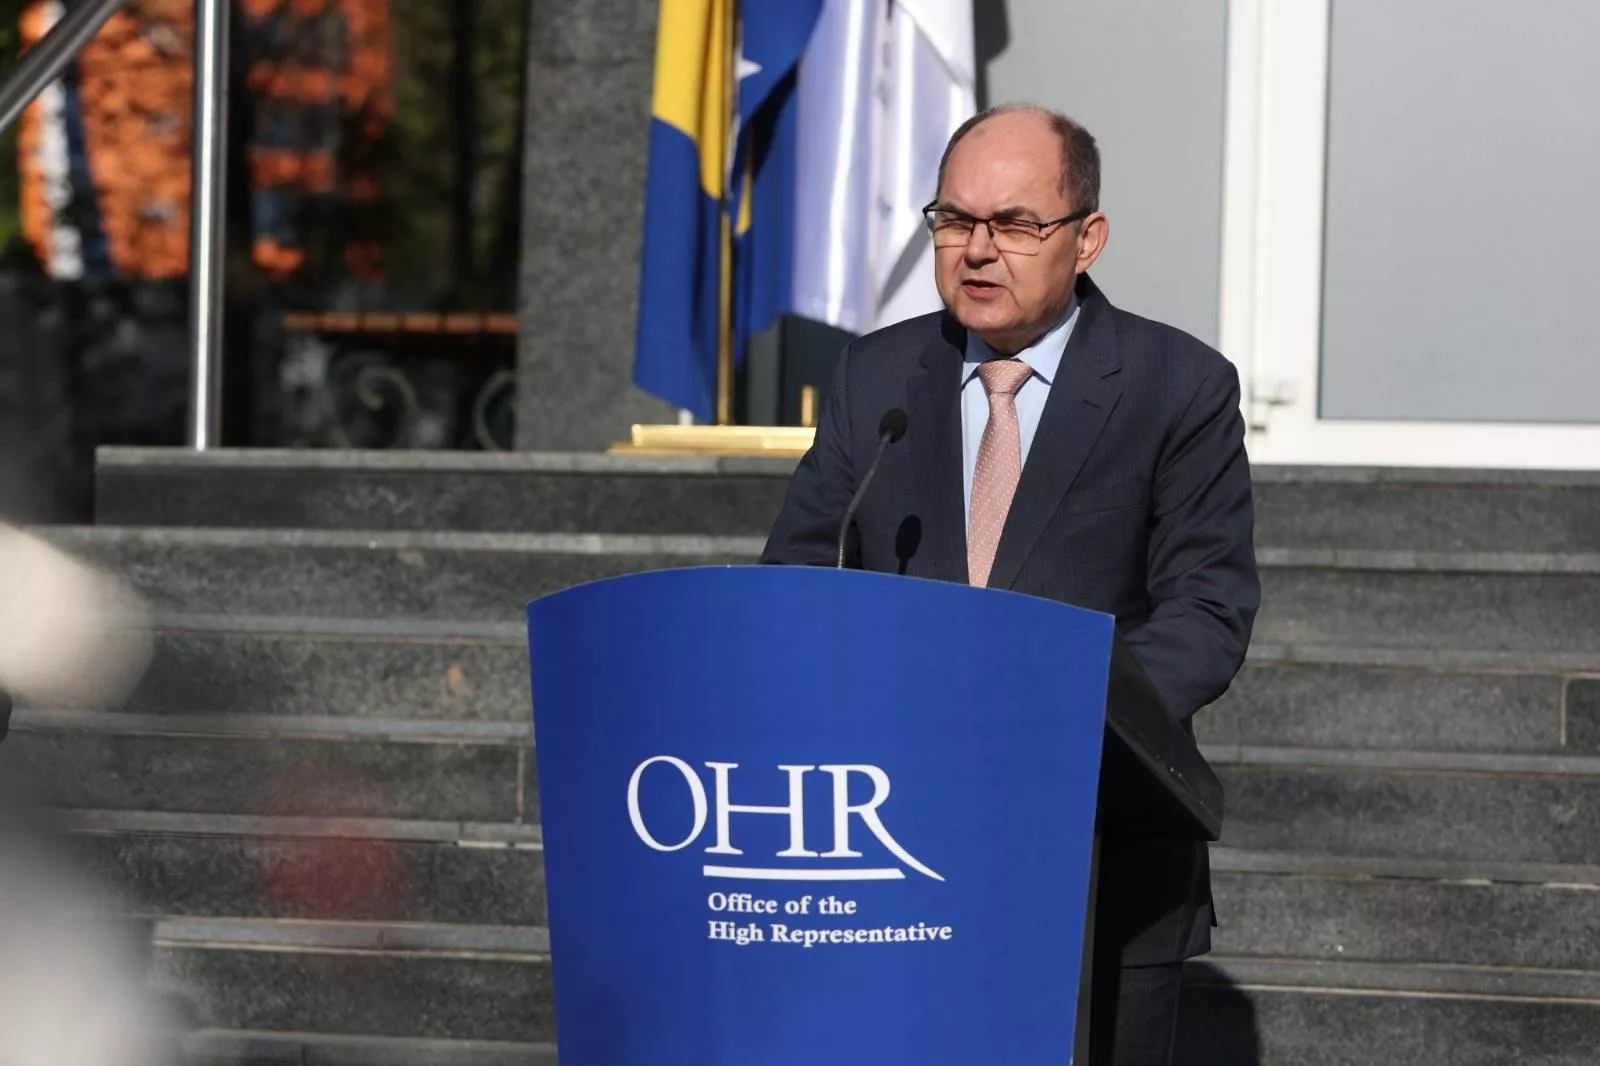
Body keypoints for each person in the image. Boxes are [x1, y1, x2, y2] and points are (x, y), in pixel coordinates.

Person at [761, 104, 1260, 1065]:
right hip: (895, 847)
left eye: (1016, 224)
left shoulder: (1177, 384)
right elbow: (795, 585)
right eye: (955, 219)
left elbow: (1206, 612)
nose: (979, 249)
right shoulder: (876, 377)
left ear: (1087, 239)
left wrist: (1047, 715)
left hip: (1101, 847)